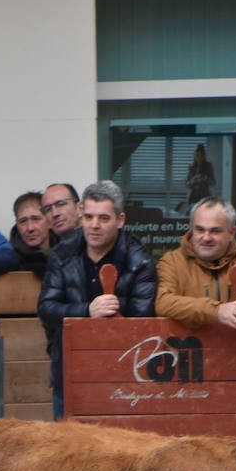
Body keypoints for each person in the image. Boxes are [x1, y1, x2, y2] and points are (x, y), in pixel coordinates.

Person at [37, 180, 157, 419]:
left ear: (120, 220)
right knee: (68, 450)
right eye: (89, 217)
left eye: (103, 218)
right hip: (70, 370)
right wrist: (86, 311)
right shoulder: (62, 254)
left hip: (123, 376)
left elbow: (143, 322)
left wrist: (115, 314)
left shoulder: (139, 260)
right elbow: (46, 308)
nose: (94, 225)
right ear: (80, 213)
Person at [155, 196, 236, 331]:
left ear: (231, 233)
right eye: (199, 230)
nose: (206, 237)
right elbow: (163, 302)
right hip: (190, 349)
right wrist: (216, 311)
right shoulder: (172, 261)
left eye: (215, 231)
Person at [9, 191, 52, 278]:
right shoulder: (10, 262)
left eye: (36, 219)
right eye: (23, 221)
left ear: (49, 221)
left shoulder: (69, 254)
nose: (30, 228)